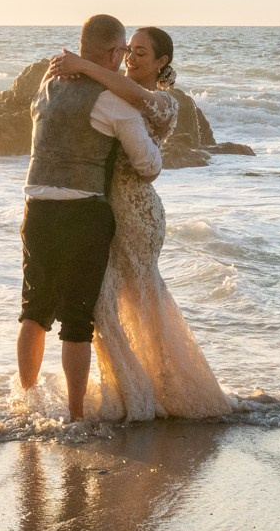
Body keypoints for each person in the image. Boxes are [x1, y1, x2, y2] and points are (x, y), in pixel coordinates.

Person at [45, 25, 232, 420]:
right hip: (99, 209)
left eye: (142, 53)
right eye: (128, 50)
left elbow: (138, 102)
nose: (131, 58)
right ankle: (129, 388)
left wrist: (82, 63)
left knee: (140, 301)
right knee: (106, 304)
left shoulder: (164, 101)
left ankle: (156, 390)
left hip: (136, 212)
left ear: (162, 63)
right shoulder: (112, 91)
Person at [16, 13, 161, 420]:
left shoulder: (47, 86)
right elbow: (147, 165)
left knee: (33, 311)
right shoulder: (112, 100)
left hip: (37, 208)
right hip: (83, 212)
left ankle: (26, 404)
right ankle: (75, 417)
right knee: (77, 321)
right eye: (122, 51)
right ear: (114, 53)